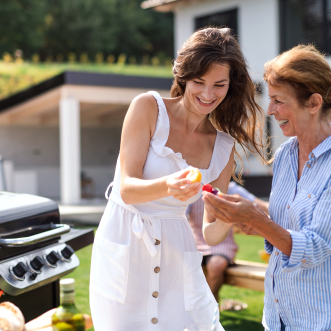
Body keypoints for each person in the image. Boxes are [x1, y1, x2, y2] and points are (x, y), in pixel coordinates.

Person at [89, 27, 266, 331]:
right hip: (125, 242)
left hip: (176, 251)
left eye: (219, 85)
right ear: (183, 76)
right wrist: (168, 186)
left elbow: (211, 235)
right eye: (199, 82)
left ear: (230, 86)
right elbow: (126, 188)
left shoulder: (223, 147)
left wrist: (229, 216)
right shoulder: (148, 108)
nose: (208, 94)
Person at [202, 45, 331, 330]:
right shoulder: (285, 155)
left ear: (313, 103)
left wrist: (256, 218)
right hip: (283, 316)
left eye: (278, 101)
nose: (270, 110)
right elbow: (287, 226)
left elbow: (314, 247)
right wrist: (254, 223)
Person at [187, 181, 268, 302]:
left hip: (222, 243)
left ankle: (210, 305)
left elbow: (261, 205)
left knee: (216, 265)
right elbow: (181, 215)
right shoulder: (192, 190)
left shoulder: (231, 189)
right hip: (196, 242)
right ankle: (196, 307)